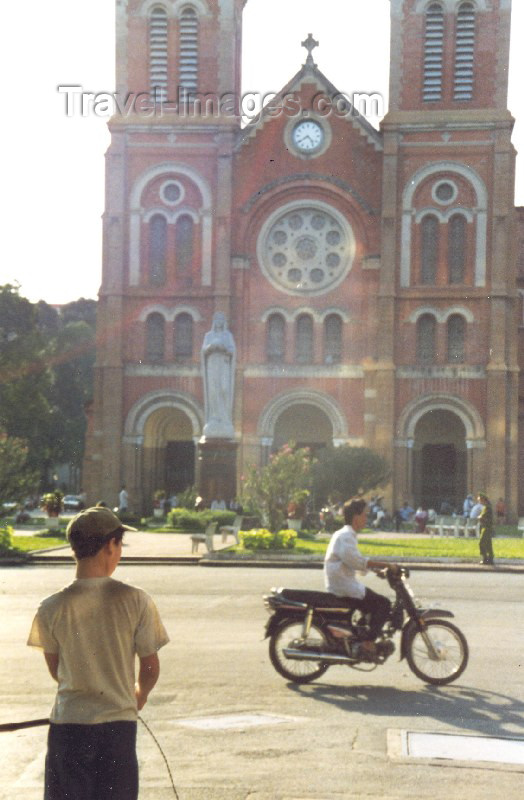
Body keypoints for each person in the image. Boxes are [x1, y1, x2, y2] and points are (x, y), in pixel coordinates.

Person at [27, 506, 169, 800]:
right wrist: (138, 695)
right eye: (119, 545)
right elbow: (151, 667)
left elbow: (56, 670)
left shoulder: (51, 607)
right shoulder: (135, 600)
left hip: (69, 728)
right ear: (109, 545)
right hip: (117, 729)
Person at [324, 498, 400, 657]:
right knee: (383, 604)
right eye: (365, 515)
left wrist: (375, 570)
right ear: (356, 517)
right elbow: (356, 561)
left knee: (371, 605)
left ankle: (360, 637)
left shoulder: (347, 534)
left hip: (343, 582)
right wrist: (386, 564)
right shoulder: (346, 535)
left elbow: (353, 561)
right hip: (343, 585)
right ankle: (368, 643)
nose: (367, 518)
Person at [477, 492, 495, 565]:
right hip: (486, 527)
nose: (479, 501)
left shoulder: (487, 507)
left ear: (483, 499)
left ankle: (485, 558)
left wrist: (479, 517)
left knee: (482, 542)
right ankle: (490, 559)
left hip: (486, 527)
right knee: (488, 544)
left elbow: (482, 517)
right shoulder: (486, 506)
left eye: (480, 500)